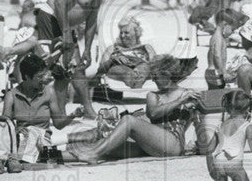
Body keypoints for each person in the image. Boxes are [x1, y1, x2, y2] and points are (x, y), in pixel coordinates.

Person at [37, 0, 126, 114]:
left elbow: (91, 18)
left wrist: (87, 49)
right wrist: (65, 35)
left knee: (77, 69)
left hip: (65, 26)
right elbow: (59, 3)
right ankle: (37, 108)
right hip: (50, 19)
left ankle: (87, 110)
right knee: (51, 69)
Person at [70, 55, 198, 163]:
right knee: (105, 146)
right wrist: (180, 101)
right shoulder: (153, 96)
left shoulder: (188, 94)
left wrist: (198, 143)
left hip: (172, 145)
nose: (152, 79)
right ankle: (52, 154)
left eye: (156, 76)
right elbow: (153, 113)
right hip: (151, 143)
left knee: (128, 120)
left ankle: (93, 154)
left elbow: (200, 120)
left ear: (167, 75)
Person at [96, 15, 156, 89]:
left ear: (136, 33)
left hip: (141, 70)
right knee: (127, 72)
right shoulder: (112, 48)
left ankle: (136, 84)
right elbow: (100, 70)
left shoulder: (146, 48)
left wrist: (139, 62)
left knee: (143, 68)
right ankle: (136, 86)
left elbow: (156, 66)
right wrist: (112, 60)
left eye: (126, 33)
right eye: (121, 33)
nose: (122, 36)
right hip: (120, 69)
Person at [0, 0, 44, 81]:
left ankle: (7, 53)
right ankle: (7, 53)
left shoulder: (35, 20)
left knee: (25, 48)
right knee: (24, 50)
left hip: (38, 50)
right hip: (29, 46)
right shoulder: (30, 19)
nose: (22, 10)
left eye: (24, 8)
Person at [206, 8, 248, 87]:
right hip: (215, 73)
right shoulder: (218, 37)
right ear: (224, 24)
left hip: (215, 72)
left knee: (215, 95)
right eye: (232, 29)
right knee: (216, 96)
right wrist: (224, 72)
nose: (232, 32)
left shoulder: (219, 37)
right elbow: (217, 55)